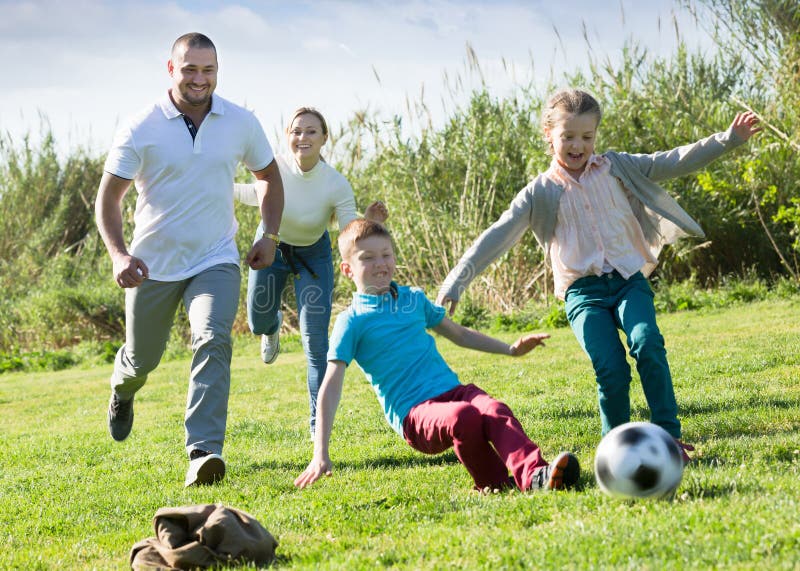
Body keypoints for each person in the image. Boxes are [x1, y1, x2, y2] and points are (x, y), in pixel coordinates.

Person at [437, 89, 762, 462]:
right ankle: (617, 449)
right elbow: (496, 235)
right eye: (568, 137)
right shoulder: (539, 193)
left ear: (596, 135)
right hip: (583, 293)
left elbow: (673, 160)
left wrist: (729, 140)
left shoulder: (617, 167)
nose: (578, 145)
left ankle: (669, 437)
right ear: (549, 134)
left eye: (587, 137)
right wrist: (457, 280)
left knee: (648, 343)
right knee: (610, 368)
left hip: (628, 281)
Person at [95, 32, 284, 487]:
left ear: (218, 70)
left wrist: (269, 234)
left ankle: (203, 450)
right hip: (151, 265)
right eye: (190, 69)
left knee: (213, 337)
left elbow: (269, 178)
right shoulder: (141, 126)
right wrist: (119, 254)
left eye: (209, 69)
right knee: (143, 358)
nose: (200, 79)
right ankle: (123, 387)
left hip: (215, 258)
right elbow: (108, 198)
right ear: (171, 69)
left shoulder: (240, 121)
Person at [294, 219, 580, 492]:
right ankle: (492, 483)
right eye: (367, 258)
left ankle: (535, 476)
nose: (380, 264)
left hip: (454, 391)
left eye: (386, 254)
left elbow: (460, 334)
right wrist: (321, 453)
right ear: (347, 269)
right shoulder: (351, 321)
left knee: (495, 410)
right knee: (464, 416)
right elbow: (330, 386)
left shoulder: (413, 300)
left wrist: (511, 349)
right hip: (415, 414)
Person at [233, 107, 387, 435]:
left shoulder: (335, 183)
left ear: (324, 139)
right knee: (257, 320)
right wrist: (220, 186)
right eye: (296, 131)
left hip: (313, 258)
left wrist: (371, 223)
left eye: (311, 132)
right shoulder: (275, 168)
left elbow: (348, 231)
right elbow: (252, 193)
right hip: (271, 247)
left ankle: (318, 426)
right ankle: (271, 329)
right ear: (288, 136)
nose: (302, 138)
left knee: (315, 343)